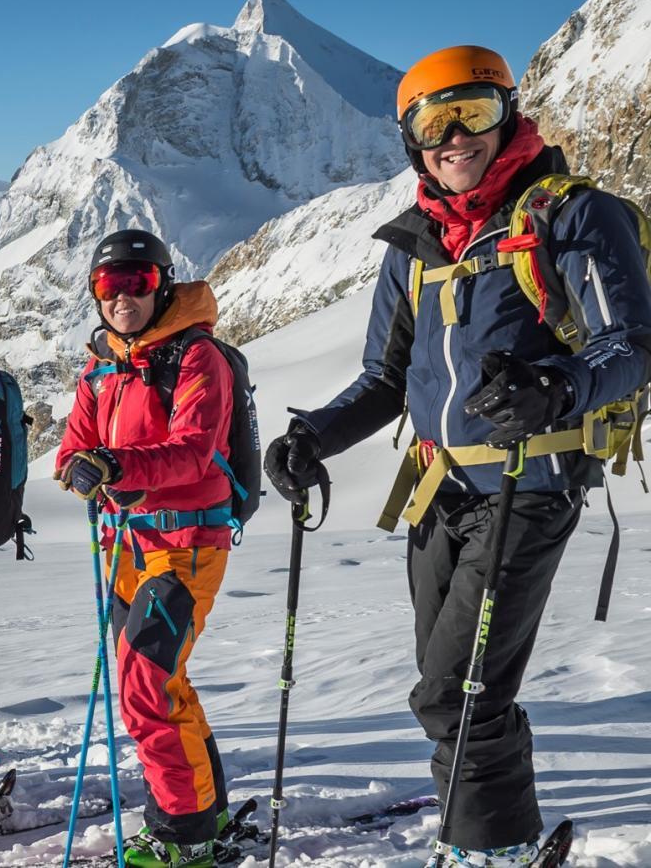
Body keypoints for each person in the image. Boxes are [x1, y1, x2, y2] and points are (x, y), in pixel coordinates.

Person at [264, 46, 651, 868]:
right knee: (456, 687)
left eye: (471, 112)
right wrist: (313, 438)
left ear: (505, 111)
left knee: (455, 690)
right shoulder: (415, 245)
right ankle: (478, 826)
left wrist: (557, 386)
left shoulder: (571, 216)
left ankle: (497, 847)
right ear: (410, 138)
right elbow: (384, 376)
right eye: (432, 122)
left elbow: (633, 344)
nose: (453, 137)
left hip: (530, 482)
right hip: (439, 491)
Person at [55, 230, 237, 868]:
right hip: (125, 546)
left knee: (144, 685)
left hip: (185, 543)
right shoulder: (101, 366)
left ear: (161, 285)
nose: (123, 295)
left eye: (138, 282)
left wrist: (111, 464)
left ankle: (184, 835)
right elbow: (71, 447)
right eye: (109, 285)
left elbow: (195, 450)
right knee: (162, 679)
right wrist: (81, 465)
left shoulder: (195, 357)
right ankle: (204, 807)